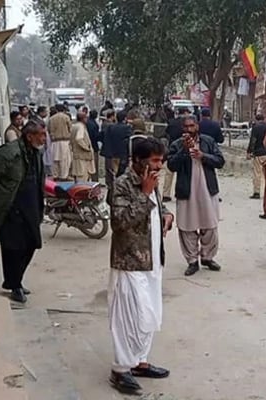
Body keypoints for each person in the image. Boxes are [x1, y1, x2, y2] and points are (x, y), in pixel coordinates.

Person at [108, 136, 173, 395]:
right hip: (130, 262)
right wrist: (145, 195)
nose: (159, 165)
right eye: (155, 161)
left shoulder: (151, 179)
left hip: (153, 259)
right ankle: (121, 369)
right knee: (128, 317)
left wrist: (166, 214)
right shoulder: (123, 184)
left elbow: (157, 207)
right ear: (137, 160)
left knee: (150, 314)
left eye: (161, 160)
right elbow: (120, 223)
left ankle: (140, 361)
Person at [0, 121, 47, 303]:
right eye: (41, 134)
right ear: (29, 136)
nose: (44, 138)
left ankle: (15, 279)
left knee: (32, 243)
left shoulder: (36, 153)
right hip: (11, 208)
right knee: (12, 248)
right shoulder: (9, 153)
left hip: (31, 207)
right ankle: (15, 285)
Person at [167, 115, 225, 277]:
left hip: (207, 190)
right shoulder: (176, 145)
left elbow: (220, 161)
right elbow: (171, 166)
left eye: (192, 126)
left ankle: (207, 257)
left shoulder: (208, 142)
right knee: (187, 226)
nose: (189, 130)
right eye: (185, 127)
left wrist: (203, 156)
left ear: (197, 127)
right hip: (186, 191)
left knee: (211, 225)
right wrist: (184, 151)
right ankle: (192, 261)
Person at [102, 111, 133, 202]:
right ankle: (119, 195)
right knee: (121, 175)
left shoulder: (110, 127)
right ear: (125, 119)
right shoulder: (127, 128)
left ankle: (110, 195)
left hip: (111, 155)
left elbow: (106, 140)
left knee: (112, 176)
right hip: (122, 155)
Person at [163, 107, 192, 202]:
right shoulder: (187, 124)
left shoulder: (171, 122)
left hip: (172, 148)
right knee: (184, 172)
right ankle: (183, 192)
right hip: (184, 148)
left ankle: (166, 194)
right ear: (185, 113)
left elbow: (166, 133)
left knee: (169, 173)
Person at [247, 113, 266, 200]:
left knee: (257, 174)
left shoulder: (255, 128)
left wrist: (249, 151)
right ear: (264, 119)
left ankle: (256, 192)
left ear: (256, 119)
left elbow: (253, 140)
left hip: (258, 154)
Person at [49, 104, 73, 180]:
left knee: (55, 160)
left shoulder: (51, 118)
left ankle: (55, 175)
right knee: (65, 160)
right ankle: (64, 176)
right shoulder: (66, 117)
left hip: (54, 142)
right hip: (65, 141)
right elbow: (70, 129)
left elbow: (49, 129)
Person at [71, 111, 96, 182]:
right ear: (83, 119)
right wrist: (86, 148)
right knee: (83, 178)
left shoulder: (74, 126)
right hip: (82, 157)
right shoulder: (81, 127)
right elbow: (79, 139)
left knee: (79, 177)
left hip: (77, 155)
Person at [87, 109, 102, 181]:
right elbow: (95, 136)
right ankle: (95, 180)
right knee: (94, 165)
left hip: (87, 145)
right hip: (94, 146)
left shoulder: (87, 122)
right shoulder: (94, 124)